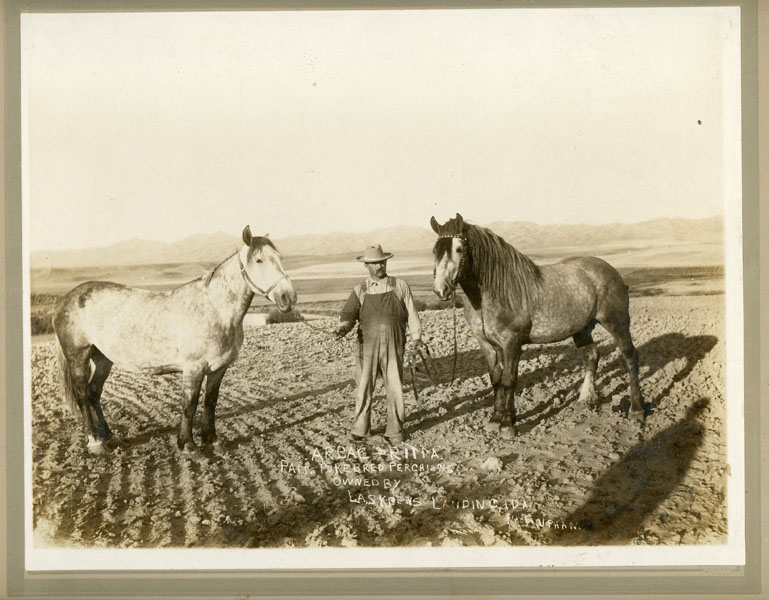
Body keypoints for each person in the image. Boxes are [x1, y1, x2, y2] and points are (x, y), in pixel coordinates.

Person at [334, 244, 424, 444]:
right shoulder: (360, 290)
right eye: (375, 264)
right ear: (366, 266)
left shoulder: (400, 286)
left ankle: (395, 431)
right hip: (367, 347)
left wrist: (417, 337)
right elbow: (348, 314)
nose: (380, 266)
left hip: (394, 345)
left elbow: (412, 314)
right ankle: (360, 428)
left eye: (382, 262)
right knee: (364, 387)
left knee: (395, 387)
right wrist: (343, 328)